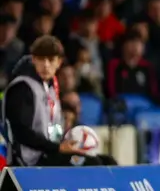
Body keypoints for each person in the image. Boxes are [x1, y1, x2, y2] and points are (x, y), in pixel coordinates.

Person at [1, 35, 104, 166]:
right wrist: (57, 148)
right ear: (33, 59)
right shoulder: (23, 87)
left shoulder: (48, 87)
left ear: (59, 62)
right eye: (41, 59)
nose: (46, 65)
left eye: (51, 60)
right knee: (92, 163)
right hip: (29, 160)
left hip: (48, 153)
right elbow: (21, 132)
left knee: (106, 160)